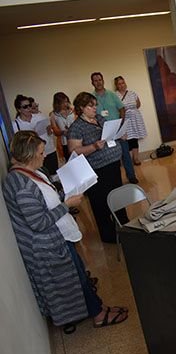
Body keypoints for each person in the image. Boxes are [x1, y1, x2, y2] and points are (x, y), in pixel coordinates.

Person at [3, 131, 128, 331]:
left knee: (79, 275)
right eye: (41, 152)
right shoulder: (21, 187)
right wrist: (66, 204)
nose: (44, 156)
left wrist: (62, 194)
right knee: (77, 278)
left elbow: (46, 195)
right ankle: (98, 315)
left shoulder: (28, 172)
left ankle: (97, 307)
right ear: (29, 155)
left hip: (59, 236)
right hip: (49, 244)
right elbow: (39, 222)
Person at [68, 92, 128, 243]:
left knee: (118, 196)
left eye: (95, 105)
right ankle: (108, 234)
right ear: (81, 108)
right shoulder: (76, 127)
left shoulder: (99, 118)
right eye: (91, 106)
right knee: (101, 202)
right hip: (97, 170)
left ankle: (124, 226)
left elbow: (109, 134)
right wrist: (94, 146)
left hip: (113, 165)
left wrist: (118, 135)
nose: (95, 108)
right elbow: (74, 151)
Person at [91, 72, 138, 184]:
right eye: (95, 80)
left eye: (100, 79)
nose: (98, 82)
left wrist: (121, 124)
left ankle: (131, 176)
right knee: (110, 158)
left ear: (103, 81)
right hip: (102, 132)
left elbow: (122, 109)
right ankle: (116, 181)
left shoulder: (112, 95)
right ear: (92, 83)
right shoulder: (91, 98)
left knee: (125, 153)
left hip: (117, 129)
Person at [12, 94, 58, 175]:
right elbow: (18, 143)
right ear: (19, 109)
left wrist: (50, 130)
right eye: (25, 107)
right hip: (33, 156)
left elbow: (50, 132)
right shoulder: (16, 125)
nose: (29, 108)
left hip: (49, 150)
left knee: (55, 174)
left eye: (29, 105)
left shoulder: (40, 116)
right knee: (42, 176)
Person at [114, 76, 148, 166]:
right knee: (126, 139)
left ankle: (136, 158)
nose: (122, 85)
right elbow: (115, 108)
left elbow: (138, 104)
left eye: (123, 83)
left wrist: (131, 111)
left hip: (135, 119)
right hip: (124, 119)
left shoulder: (132, 93)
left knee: (134, 139)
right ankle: (128, 160)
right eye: (119, 83)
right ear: (116, 85)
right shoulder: (115, 95)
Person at [49, 92, 75, 161]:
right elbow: (55, 131)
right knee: (69, 161)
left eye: (66, 101)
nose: (65, 104)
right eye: (62, 102)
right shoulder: (53, 115)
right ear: (57, 104)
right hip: (65, 142)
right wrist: (63, 132)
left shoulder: (73, 111)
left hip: (76, 140)